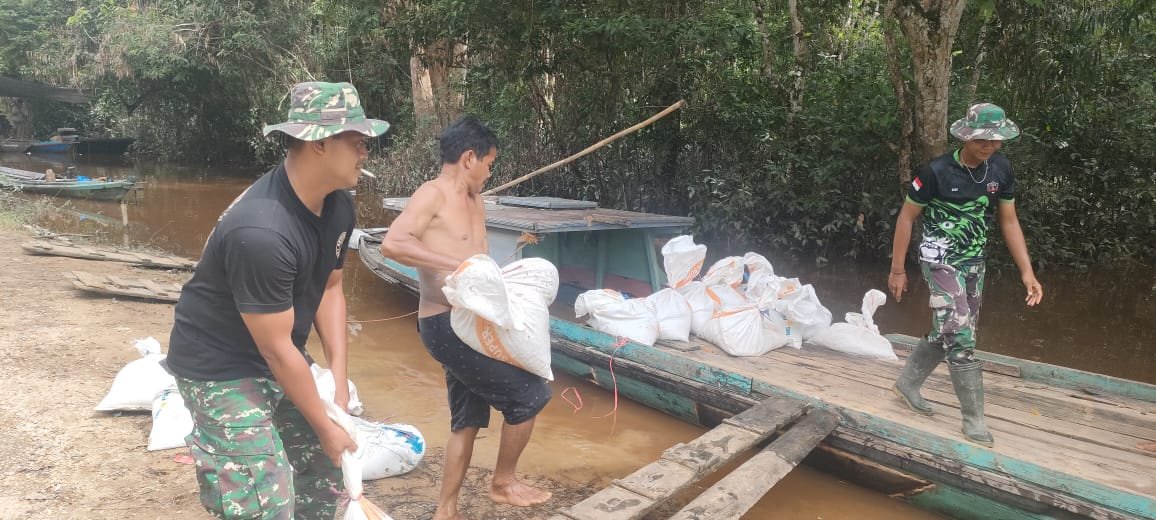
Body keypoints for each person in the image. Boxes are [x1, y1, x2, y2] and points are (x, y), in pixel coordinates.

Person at [165, 81, 389, 518]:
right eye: (358, 141)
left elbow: (330, 288)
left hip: (278, 350)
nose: (366, 152)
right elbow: (276, 348)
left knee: (324, 473)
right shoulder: (262, 231)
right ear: (320, 143)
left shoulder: (339, 206)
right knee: (264, 499)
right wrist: (324, 426)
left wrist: (339, 385)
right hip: (220, 367)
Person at [380, 116, 553, 519]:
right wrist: (455, 264)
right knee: (530, 396)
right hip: (444, 324)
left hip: (475, 324)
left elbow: (481, 264)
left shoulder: (476, 200)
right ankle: (503, 483)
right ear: (469, 158)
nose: (490, 173)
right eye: (489, 164)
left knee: (467, 421)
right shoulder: (432, 194)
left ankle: (446, 510)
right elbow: (393, 243)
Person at [888, 103, 1043, 448]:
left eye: (996, 140)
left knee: (952, 329)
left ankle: (907, 384)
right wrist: (897, 269)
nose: (990, 146)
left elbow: (1009, 221)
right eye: (982, 140)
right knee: (960, 337)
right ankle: (974, 420)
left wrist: (1027, 272)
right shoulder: (935, 172)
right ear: (965, 136)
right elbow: (906, 217)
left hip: (974, 261)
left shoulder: (1001, 169)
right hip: (939, 259)